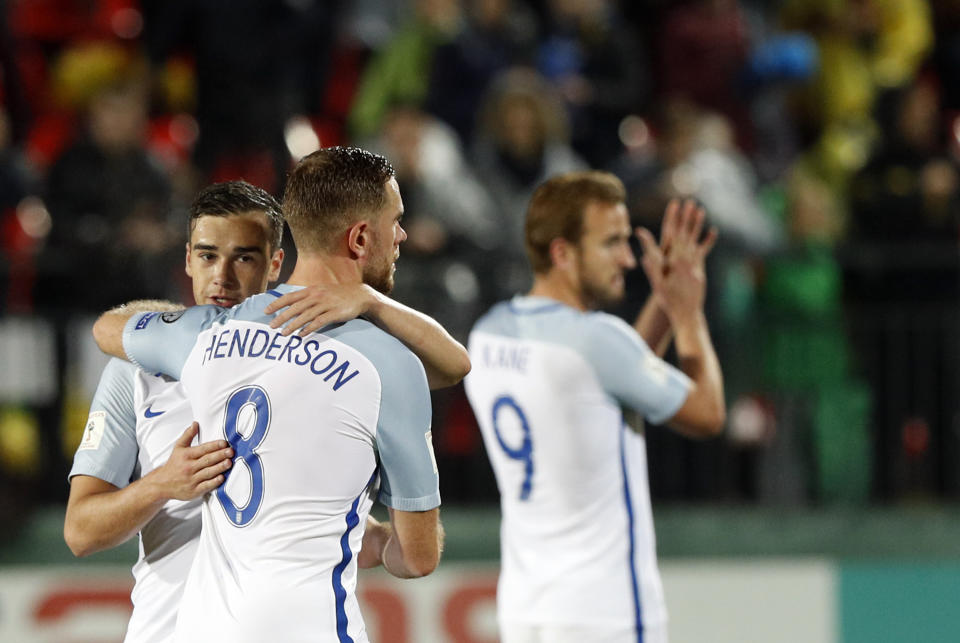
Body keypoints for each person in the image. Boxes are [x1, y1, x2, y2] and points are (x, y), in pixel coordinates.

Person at [69, 176, 464, 642]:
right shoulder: (138, 370)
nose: (222, 276)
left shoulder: (310, 358)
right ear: (188, 260)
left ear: (276, 264)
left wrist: (365, 534)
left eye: (245, 257)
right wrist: (161, 485)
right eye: (208, 255)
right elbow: (80, 531)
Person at [464, 171, 725, 643]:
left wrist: (662, 305)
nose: (627, 259)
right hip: (604, 613)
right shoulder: (596, 340)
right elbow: (707, 413)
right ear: (563, 253)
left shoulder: (487, 333)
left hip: (527, 609)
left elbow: (610, 379)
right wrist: (687, 314)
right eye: (611, 243)